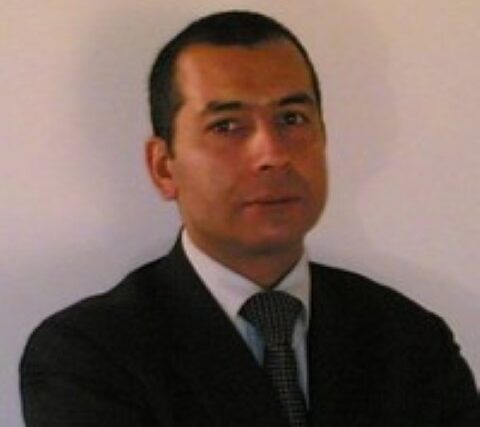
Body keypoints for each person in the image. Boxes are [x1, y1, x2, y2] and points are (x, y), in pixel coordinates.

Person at [20, 10, 480, 427]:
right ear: (164, 167)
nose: (272, 154)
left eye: (292, 119)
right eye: (226, 126)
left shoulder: (411, 340)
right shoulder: (88, 356)